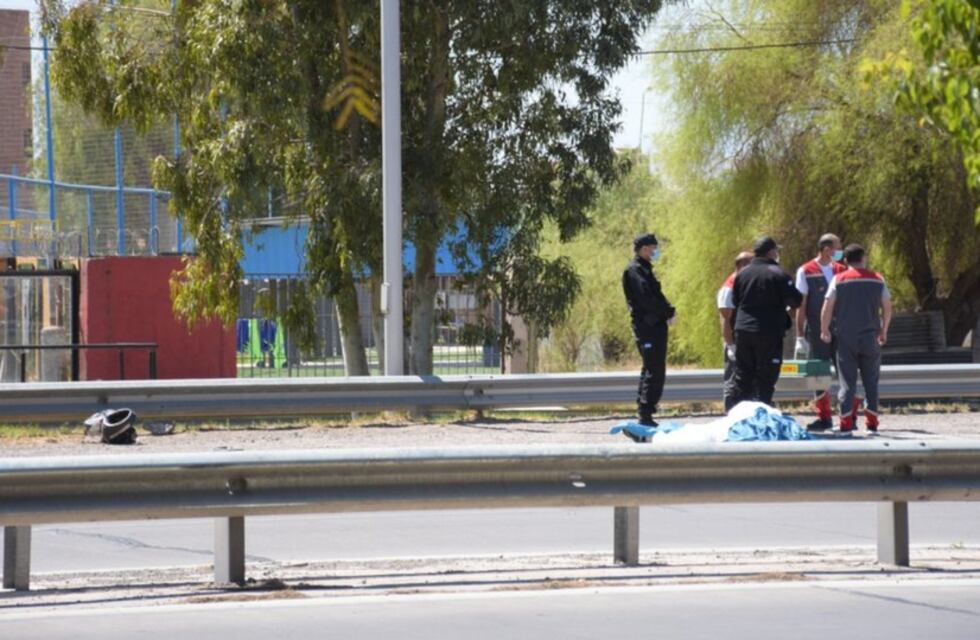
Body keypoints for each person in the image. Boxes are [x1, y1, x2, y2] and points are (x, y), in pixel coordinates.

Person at [820, 244, 892, 432]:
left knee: (847, 382)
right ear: (864, 258)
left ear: (845, 260)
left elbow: (827, 307)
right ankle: (872, 424)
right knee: (871, 382)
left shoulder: (838, 279)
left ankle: (845, 423)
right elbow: (887, 306)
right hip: (871, 338)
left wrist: (824, 329)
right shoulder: (878, 279)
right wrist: (884, 329)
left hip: (846, 339)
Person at [728, 236, 803, 410]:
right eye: (776, 250)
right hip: (768, 331)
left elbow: (736, 302)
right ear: (771, 252)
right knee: (767, 373)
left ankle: (741, 413)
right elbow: (796, 300)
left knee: (743, 374)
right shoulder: (778, 273)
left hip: (743, 330)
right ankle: (762, 409)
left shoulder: (742, 274)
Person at [622, 233, 676, 426]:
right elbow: (646, 298)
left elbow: (657, 295)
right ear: (644, 248)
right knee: (653, 369)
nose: (655, 252)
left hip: (655, 326)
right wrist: (666, 311)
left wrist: (669, 310)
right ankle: (645, 412)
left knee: (652, 367)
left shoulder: (645, 269)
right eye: (653, 248)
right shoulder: (635, 270)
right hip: (647, 327)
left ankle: (645, 410)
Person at [794, 233, 846, 430]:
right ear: (827, 249)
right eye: (837, 247)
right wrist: (800, 335)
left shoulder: (841, 269)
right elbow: (801, 304)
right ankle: (824, 417)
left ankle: (847, 417)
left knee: (845, 370)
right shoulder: (806, 270)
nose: (840, 251)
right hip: (816, 330)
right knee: (818, 372)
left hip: (840, 329)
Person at [717, 251, 755, 408]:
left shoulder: (743, 282)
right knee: (732, 377)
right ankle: (730, 408)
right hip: (734, 340)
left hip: (746, 339)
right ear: (743, 265)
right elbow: (725, 318)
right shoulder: (729, 287)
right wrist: (730, 344)